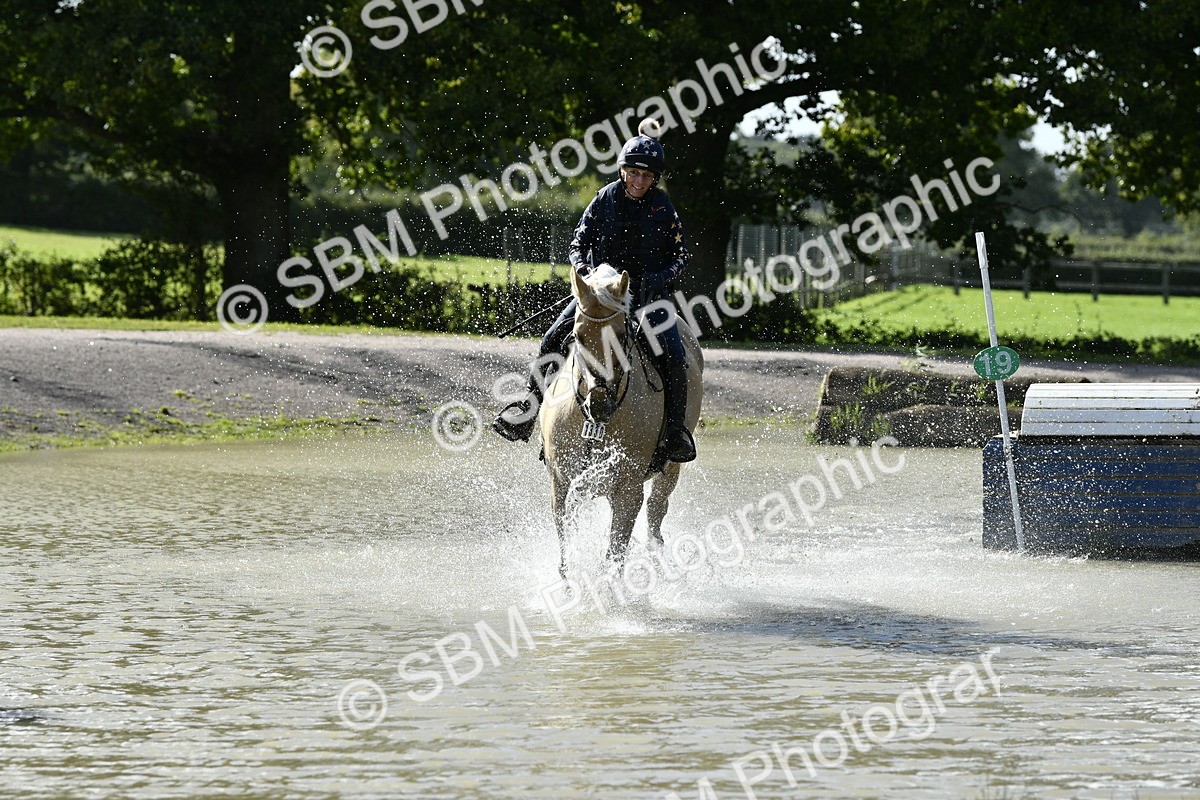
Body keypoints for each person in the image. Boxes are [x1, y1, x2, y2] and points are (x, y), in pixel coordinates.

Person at [492, 117, 697, 463]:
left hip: (648, 297)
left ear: (654, 179)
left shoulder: (664, 207)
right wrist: (585, 274)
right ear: (622, 171)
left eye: (646, 176)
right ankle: (527, 411)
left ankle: (675, 430)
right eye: (633, 173)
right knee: (554, 336)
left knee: (675, 354)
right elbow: (577, 243)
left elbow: (681, 256)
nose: (638, 181)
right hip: (601, 294)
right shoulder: (605, 198)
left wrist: (656, 279)